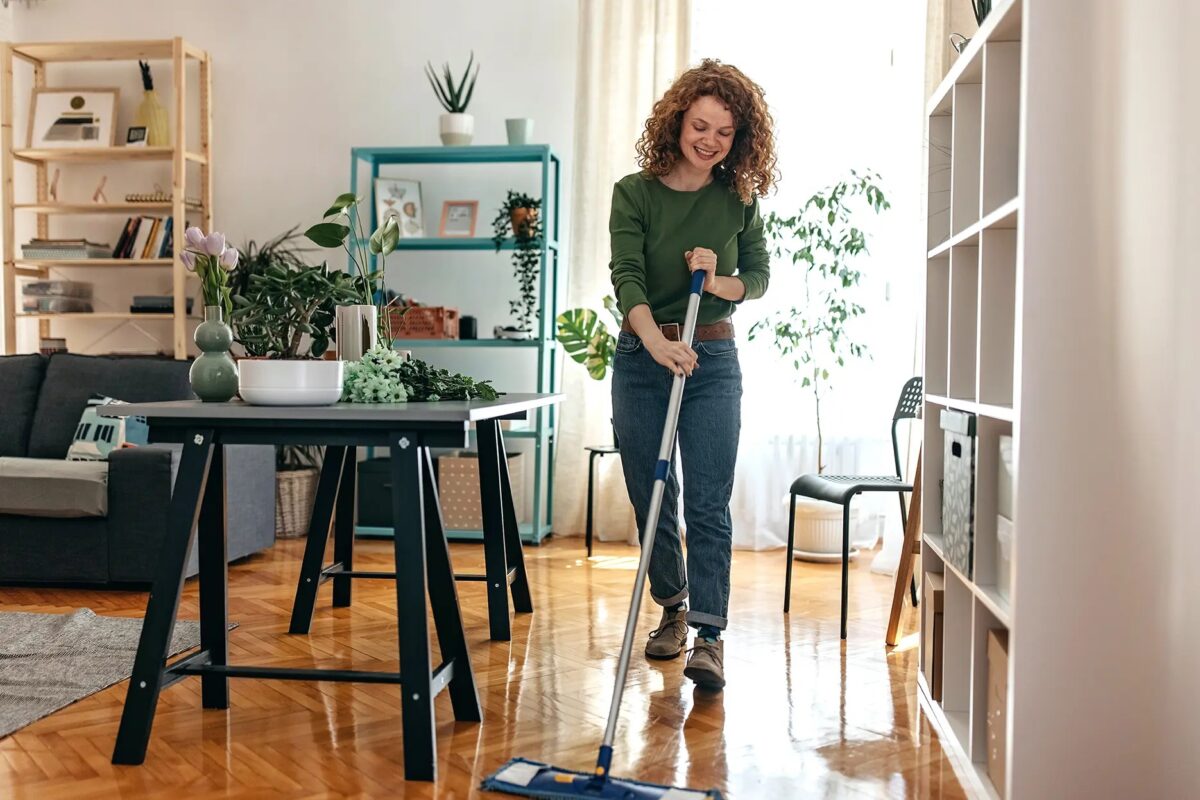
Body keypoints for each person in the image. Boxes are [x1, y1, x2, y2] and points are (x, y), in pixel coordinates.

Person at [608, 59, 779, 690]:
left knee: (708, 499)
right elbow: (626, 275)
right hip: (642, 357)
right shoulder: (636, 192)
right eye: (700, 125)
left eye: (725, 132)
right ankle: (672, 607)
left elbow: (757, 277)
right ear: (678, 121)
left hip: (712, 360)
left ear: (740, 139)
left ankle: (709, 634)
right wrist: (653, 342)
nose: (709, 140)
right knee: (652, 495)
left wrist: (721, 275)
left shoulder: (737, 198)